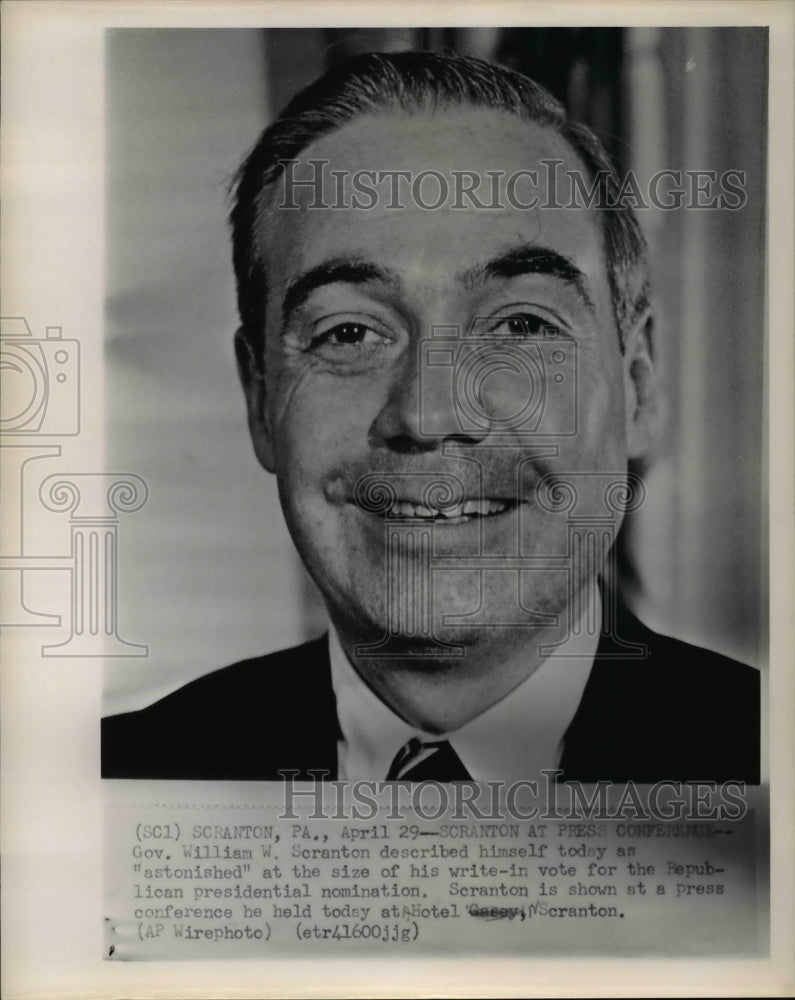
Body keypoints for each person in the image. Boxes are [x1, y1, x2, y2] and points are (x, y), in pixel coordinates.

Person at [102, 50, 760, 784]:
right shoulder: (115, 787)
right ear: (259, 398)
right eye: (348, 333)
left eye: (520, 325)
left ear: (635, 383)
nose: (430, 410)